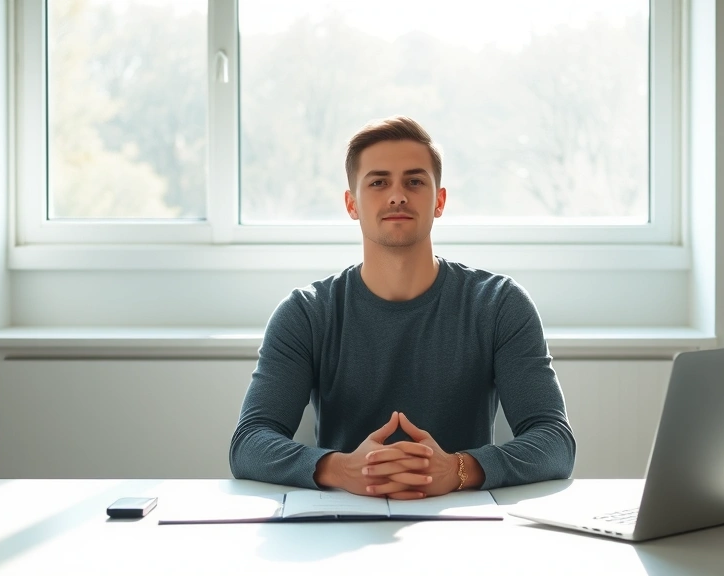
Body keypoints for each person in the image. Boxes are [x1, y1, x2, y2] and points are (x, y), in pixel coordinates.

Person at [229, 116, 575, 499]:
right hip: (339, 523)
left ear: (439, 200)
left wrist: (457, 469)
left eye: (414, 181)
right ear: (352, 204)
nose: (397, 196)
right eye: (378, 182)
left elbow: (554, 442)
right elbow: (249, 443)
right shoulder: (306, 313)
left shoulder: (499, 304)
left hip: (462, 521)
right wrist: (342, 469)